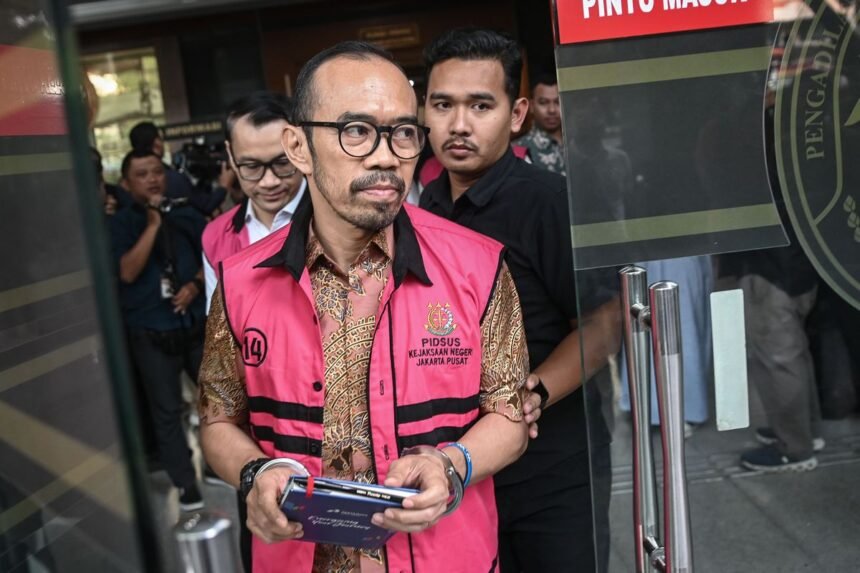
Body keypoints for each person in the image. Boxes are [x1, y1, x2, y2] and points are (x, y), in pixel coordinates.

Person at [198, 41, 542, 573]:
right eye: (356, 131)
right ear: (298, 146)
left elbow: (511, 415)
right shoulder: (241, 282)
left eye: (403, 133)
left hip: (445, 557)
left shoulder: (477, 266)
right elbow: (217, 418)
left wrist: (452, 464)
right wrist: (254, 472)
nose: (386, 157)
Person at [420, 28, 620, 572]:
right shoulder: (424, 206)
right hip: (463, 466)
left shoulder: (548, 202)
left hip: (552, 466)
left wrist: (535, 391)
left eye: (481, 105)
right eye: (443, 105)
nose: (459, 124)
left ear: (517, 115)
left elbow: (605, 321)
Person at [110, 148, 207, 510]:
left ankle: (219, 464)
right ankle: (185, 483)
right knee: (166, 412)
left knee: (217, 401)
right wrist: (152, 225)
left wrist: (195, 284)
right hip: (151, 331)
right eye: (142, 174)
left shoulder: (185, 214)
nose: (152, 179)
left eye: (156, 171)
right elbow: (127, 272)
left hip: (193, 325)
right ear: (126, 183)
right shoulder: (120, 223)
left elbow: (213, 258)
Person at [201, 91, 306, 312]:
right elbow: (220, 324)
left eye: (282, 163)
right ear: (231, 156)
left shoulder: (339, 220)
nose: (269, 181)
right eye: (252, 167)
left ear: (301, 147)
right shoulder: (216, 237)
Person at [514, 72, 566, 175]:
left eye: (558, 102)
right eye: (543, 102)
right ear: (531, 106)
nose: (552, 110)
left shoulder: (578, 142)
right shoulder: (519, 149)